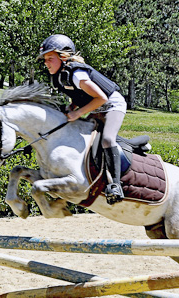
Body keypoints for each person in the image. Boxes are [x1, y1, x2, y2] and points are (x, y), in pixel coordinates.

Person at [38, 34, 127, 204]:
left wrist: (78, 114)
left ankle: (116, 185)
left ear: (63, 57)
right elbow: (78, 96)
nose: (46, 63)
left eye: (50, 58)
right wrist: (72, 107)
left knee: (107, 139)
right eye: (44, 59)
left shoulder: (77, 74)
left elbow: (102, 98)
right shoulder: (60, 76)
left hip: (112, 106)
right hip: (96, 107)